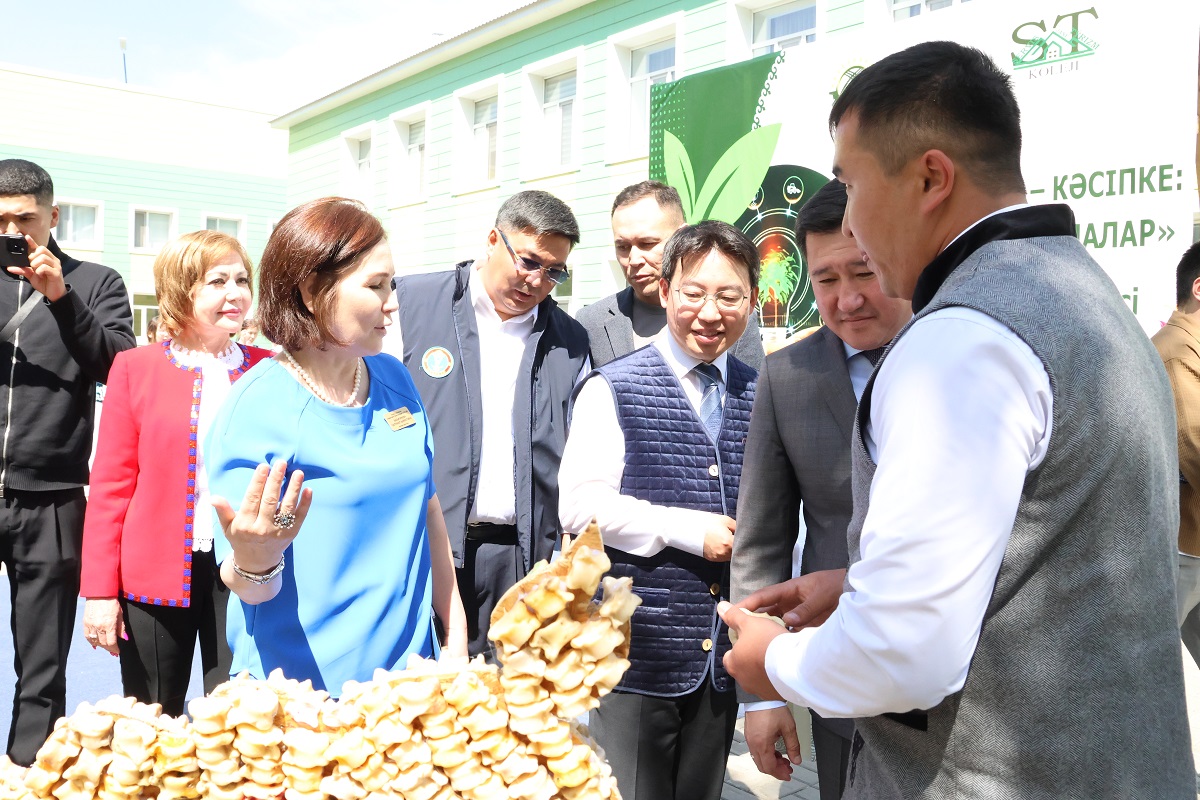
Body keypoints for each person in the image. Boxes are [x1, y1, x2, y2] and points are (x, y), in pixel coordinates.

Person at [721, 41, 1193, 798]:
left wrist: (771, 661)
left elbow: (903, 655)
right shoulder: (1084, 295)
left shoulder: (961, 337)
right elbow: (1052, 552)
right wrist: (860, 585)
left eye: (851, 182)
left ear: (931, 177)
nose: (854, 224)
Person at [206, 197, 468, 695]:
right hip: (301, 699)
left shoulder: (395, 379)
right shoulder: (256, 409)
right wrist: (254, 558)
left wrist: (453, 632)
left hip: (410, 684)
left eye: (391, 283)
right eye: (375, 285)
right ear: (310, 290)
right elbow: (246, 586)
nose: (392, 301)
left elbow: (426, 506)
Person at [559, 220, 759, 800]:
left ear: (749, 301)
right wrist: (686, 530)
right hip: (636, 654)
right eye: (694, 292)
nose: (710, 311)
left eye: (729, 296)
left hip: (720, 657)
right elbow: (580, 507)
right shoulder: (612, 387)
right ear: (666, 290)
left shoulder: (759, 389)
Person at [730, 179, 911, 797]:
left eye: (862, 272)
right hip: (839, 685)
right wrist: (761, 697)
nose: (847, 299)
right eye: (826, 280)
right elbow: (761, 539)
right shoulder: (788, 377)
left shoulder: (956, 356)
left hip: (959, 688)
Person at [79, 230, 272, 715]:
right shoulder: (133, 368)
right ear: (181, 289)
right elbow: (110, 487)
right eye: (217, 281)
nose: (236, 293)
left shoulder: (270, 370)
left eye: (242, 279)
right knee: (150, 716)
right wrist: (99, 591)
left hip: (245, 567)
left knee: (239, 718)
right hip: (153, 574)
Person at [390, 190, 590, 658]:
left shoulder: (570, 341)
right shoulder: (410, 305)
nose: (537, 280)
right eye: (528, 261)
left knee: (508, 711)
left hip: (520, 560)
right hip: (421, 549)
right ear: (491, 240)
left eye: (553, 272)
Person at [0, 159, 135, 764]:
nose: (11, 230)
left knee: (42, 664)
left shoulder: (97, 281)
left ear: (53, 217)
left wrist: (60, 297)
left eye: (24, 219)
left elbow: (118, 368)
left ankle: (30, 773)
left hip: (52, 496)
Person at [577, 181, 764, 370]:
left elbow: (751, 391)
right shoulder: (591, 322)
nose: (633, 260)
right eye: (623, 247)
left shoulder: (735, 316)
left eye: (647, 243)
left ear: (681, 236)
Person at [1152, 240, 1200, 669]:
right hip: (1182, 545)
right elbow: (1195, 444)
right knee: (1144, 675)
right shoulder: (1177, 351)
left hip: (1192, 542)